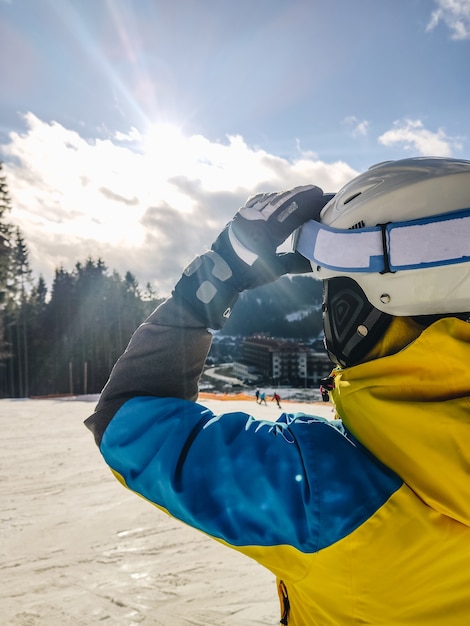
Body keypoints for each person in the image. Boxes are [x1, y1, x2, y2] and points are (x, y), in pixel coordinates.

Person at [85, 157, 470, 624]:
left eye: (332, 290)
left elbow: (128, 419)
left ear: (361, 308)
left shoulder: (325, 492)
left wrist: (213, 279)